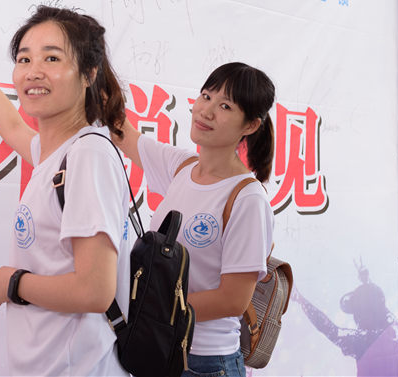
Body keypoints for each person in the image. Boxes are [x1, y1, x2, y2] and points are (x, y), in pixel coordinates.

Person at [0, 4, 131, 377]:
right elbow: (13, 128)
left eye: (52, 58)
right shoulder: (58, 152)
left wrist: (13, 284)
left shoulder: (88, 156)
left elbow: (95, 291)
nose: (33, 72)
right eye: (24, 59)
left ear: (88, 74)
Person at [114, 62, 276, 377]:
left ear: (250, 125)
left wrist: (154, 309)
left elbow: (233, 300)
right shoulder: (182, 166)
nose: (206, 111)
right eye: (206, 96)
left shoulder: (247, 198)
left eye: (225, 106)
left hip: (205, 364)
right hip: (157, 349)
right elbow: (122, 133)